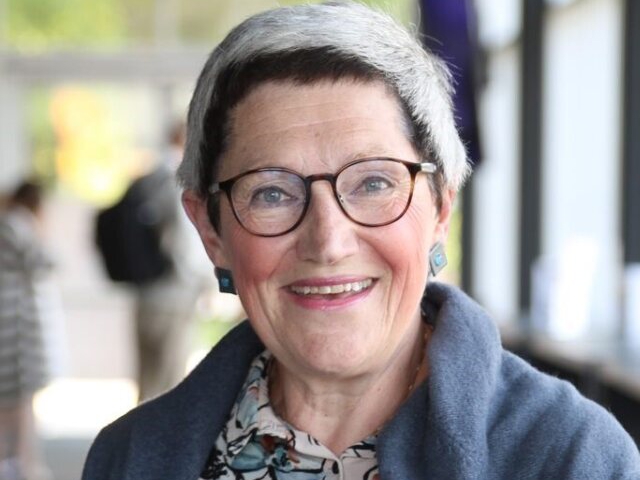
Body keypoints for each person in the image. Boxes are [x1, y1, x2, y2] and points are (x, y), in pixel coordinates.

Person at [82, 2, 640, 479]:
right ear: (211, 230)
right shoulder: (127, 458)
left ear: (441, 209)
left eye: (374, 183)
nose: (328, 241)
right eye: (272, 193)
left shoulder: (571, 456)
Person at [131, 122, 212, 402]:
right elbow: (183, 241)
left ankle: (140, 430)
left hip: (145, 293)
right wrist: (204, 280)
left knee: (146, 380)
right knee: (169, 383)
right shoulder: (178, 181)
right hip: (174, 294)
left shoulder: (147, 179)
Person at [0, 181, 54, 480]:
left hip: (9, 331)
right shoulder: (17, 226)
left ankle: (17, 463)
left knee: (13, 404)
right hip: (14, 335)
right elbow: (46, 262)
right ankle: (22, 464)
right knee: (19, 404)